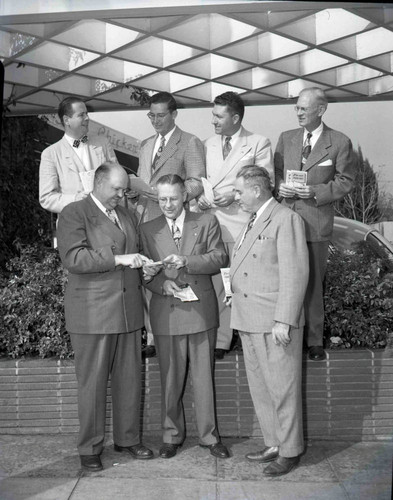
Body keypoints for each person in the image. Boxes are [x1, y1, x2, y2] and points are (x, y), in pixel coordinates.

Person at [57, 163, 154, 472]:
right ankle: (90, 447)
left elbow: (132, 255)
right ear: (98, 183)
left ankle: (127, 439)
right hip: (93, 313)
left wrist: (145, 266)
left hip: (127, 312)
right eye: (115, 189)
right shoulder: (74, 213)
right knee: (93, 385)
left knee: (129, 380)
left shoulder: (126, 215)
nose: (120, 194)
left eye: (124, 189)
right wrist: (118, 258)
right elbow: (73, 258)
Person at [139, 174, 230, 460]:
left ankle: (209, 437)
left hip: (201, 312)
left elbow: (219, 258)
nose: (167, 204)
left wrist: (187, 261)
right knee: (170, 379)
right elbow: (141, 272)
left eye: (173, 199)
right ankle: (171, 436)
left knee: (204, 379)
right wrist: (160, 284)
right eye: (162, 199)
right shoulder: (147, 229)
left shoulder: (206, 221)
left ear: (185, 197)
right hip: (167, 312)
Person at [230, 165, 309, 476]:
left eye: (238, 191)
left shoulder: (286, 219)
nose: (235, 196)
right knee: (262, 388)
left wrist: (284, 320)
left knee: (283, 389)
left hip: (274, 322)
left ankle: (290, 450)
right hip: (249, 319)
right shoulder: (254, 220)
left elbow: (296, 273)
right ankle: (274, 442)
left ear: (256, 190)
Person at [274, 87, 355, 361]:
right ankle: (286, 335)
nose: (298, 112)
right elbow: (274, 175)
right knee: (283, 281)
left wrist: (318, 192)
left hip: (316, 224)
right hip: (285, 221)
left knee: (312, 285)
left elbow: (346, 181)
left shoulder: (340, 141)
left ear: (320, 110)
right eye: (296, 107)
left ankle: (314, 341)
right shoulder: (286, 138)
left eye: (303, 108)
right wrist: (280, 188)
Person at [198, 91, 274, 359]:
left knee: (240, 283)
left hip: (241, 223)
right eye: (213, 115)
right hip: (211, 223)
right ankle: (219, 338)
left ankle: (238, 337)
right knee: (217, 283)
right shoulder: (207, 144)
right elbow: (199, 180)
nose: (214, 121)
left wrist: (232, 195)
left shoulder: (258, 142)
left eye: (219, 116)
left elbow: (265, 182)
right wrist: (202, 196)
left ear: (236, 117)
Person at [136, 91, 205, 358]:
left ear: (174, 114)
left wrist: (167, 194)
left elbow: (197, 182)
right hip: (145, 219)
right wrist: (135, 191)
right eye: (151, 115)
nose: (155, 120)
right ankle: (151, 334)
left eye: (161, 115)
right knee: (147, 275)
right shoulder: (144, 145)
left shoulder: (189, 142)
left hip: (173, 220)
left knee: (171, 275)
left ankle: (168, 332)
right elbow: (144, 180)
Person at [39, 96, 118, 214]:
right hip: (73, 224)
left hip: (105, 221)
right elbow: (46, 198)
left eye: (87, 114)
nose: (87, 118)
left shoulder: (103, 144)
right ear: (66, 120)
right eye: (81, 115)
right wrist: (76, 199)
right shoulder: (50, 154)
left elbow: (117, 179)